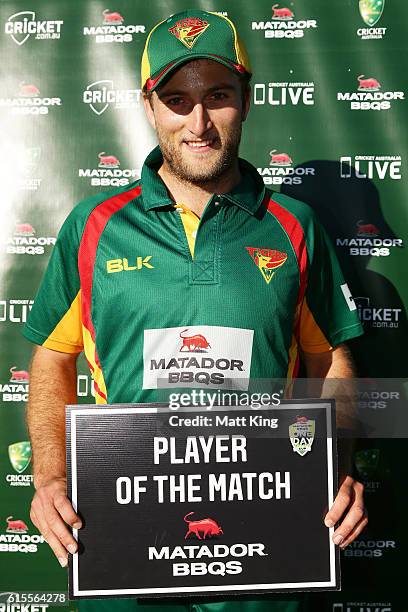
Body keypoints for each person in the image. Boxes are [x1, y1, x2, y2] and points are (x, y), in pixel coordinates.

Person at [23, 9, 367, 612]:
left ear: (248, 100)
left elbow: (330, 357)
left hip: (266, 548)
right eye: (177, 99)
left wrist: (330, 465)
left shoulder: (293, 225)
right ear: (150, 106)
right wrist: (50, 475)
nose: (199, 122)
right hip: (118, 540)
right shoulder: (94, 226)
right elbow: (52, 358)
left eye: (218, 96)